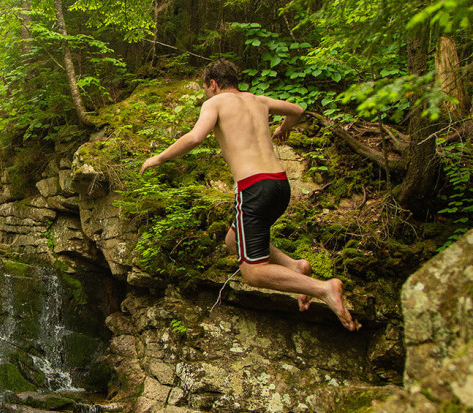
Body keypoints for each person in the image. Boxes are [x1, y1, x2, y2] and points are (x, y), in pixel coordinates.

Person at [140, 59, 359, 331]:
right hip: (280, 185)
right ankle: (295, 267)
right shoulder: (258, 100)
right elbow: (297, 110)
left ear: (214, 84)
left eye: (205, 88)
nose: (205, 94)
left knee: (253, 273)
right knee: (233, 241)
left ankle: (324, 289)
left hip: (253, 187)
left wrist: (159, 158)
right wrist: (283, 128)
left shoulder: (215, 103)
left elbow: (196, 137)